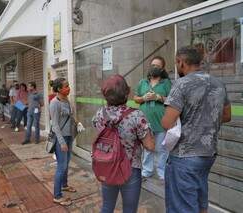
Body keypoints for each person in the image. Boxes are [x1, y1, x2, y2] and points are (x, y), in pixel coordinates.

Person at [161, 46, 231, 213]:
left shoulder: (181, 84)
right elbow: (227, 116)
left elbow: (167, 122)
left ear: (182, 62)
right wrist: (205, 120)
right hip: (208, 154)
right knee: (200, 202)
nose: (177, 66)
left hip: (184, 156)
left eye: (177, 63)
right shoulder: (218, 83)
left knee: (182, 206)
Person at [92, 74, 155, 213]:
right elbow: (150, 146)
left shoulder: (99, 114)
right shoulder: (136, 116)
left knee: (107, 206)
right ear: (127, 92)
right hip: (130, 168)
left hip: (107, 165)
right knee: (129, 209)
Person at [134, 56, 171, 181]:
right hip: (145, 123)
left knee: (162, 149)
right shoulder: (142, 82)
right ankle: (147, 171)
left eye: (158, 66)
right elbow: (135, 98)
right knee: (147, 148)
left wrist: (159, 97)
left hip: (161, 122)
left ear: (162, 69)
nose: (154, 67)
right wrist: (143, 98)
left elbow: (172, 100)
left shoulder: (166, 83)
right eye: (153, 65)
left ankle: (162, 172)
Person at [50, 78, 78, 206]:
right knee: (61, 166)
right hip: (60, 138)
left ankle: (65, 185)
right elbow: (55, 125)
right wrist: (61, 142)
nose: (69, 88)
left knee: (66, 164)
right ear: (59, 89)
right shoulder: (54, 103)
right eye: (66, 86)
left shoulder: (67, 100)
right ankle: (57, 195)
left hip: (69, 136)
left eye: (68, 85)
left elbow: (70, 116)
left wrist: (77, 123)